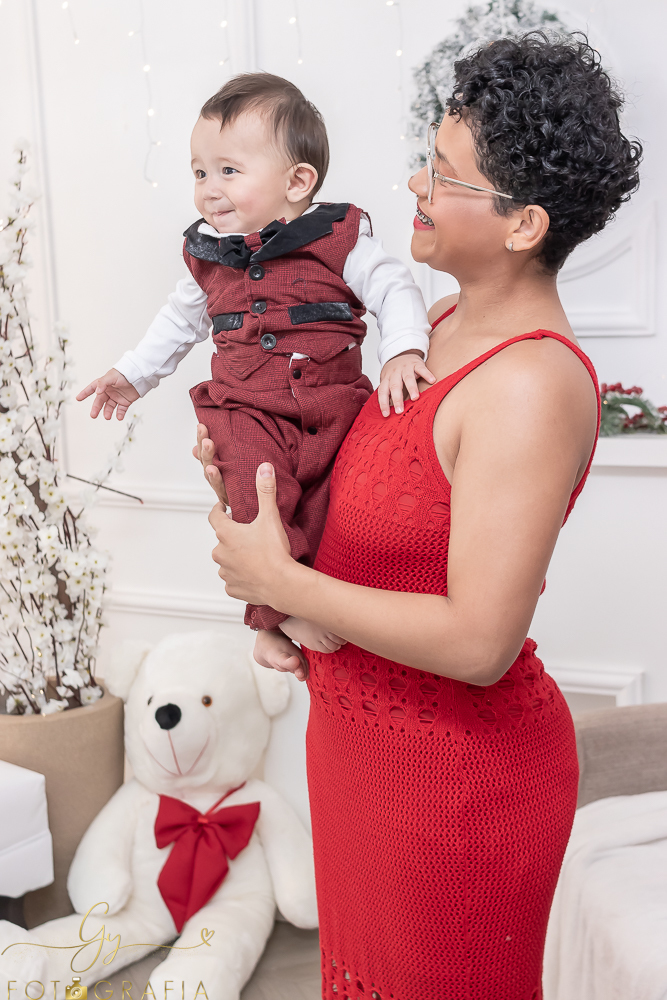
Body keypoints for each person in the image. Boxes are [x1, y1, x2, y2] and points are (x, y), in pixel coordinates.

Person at [196, 33, 641, 1000]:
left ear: (523, 224)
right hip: (356, 748)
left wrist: (282, 585)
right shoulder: (428, 324)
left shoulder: (531, 384)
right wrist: (245, 465)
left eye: (443, 175)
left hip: (459, 790)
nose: (414, 184)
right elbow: (342, 490)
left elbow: (481, 641)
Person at [76, 72, 433, 641]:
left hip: (336, 408)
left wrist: (403, 350)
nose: (208, 188)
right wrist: (132, 374)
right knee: (253, 495)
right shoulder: (208, 258)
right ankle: (277, 617)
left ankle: (305, 605)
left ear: (297, 181)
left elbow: (395, 288)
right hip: (246, 410)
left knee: (326, 510)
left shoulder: (339, 239)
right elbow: (178, 320)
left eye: (229, 171)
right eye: (199, 172)